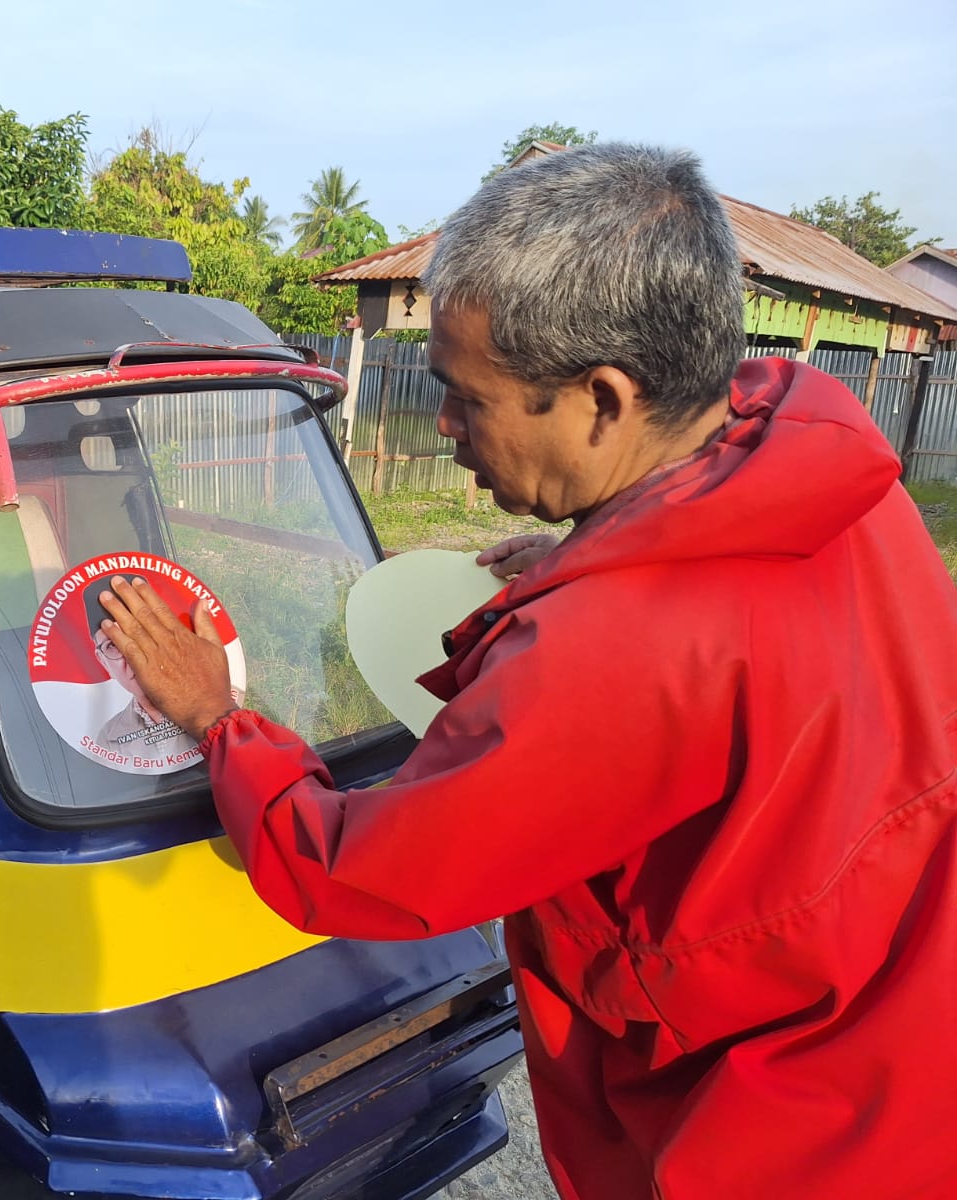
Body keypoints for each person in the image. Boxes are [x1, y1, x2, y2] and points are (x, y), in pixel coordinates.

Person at [96, 143, 957, 1199]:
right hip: (905, 1030)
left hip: (768, 1126)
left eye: (465, 397)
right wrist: (596, 549)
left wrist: (216, 716)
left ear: (602, 400)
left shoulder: (608, 650)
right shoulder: (824, 459)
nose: (447, 428)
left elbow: (355, 868)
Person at [84, 581, 184, 752]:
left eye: (143, 633)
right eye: (113, 645)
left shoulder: (220, 699)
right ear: (103, 662)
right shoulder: (107, 739)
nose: (133, 654)